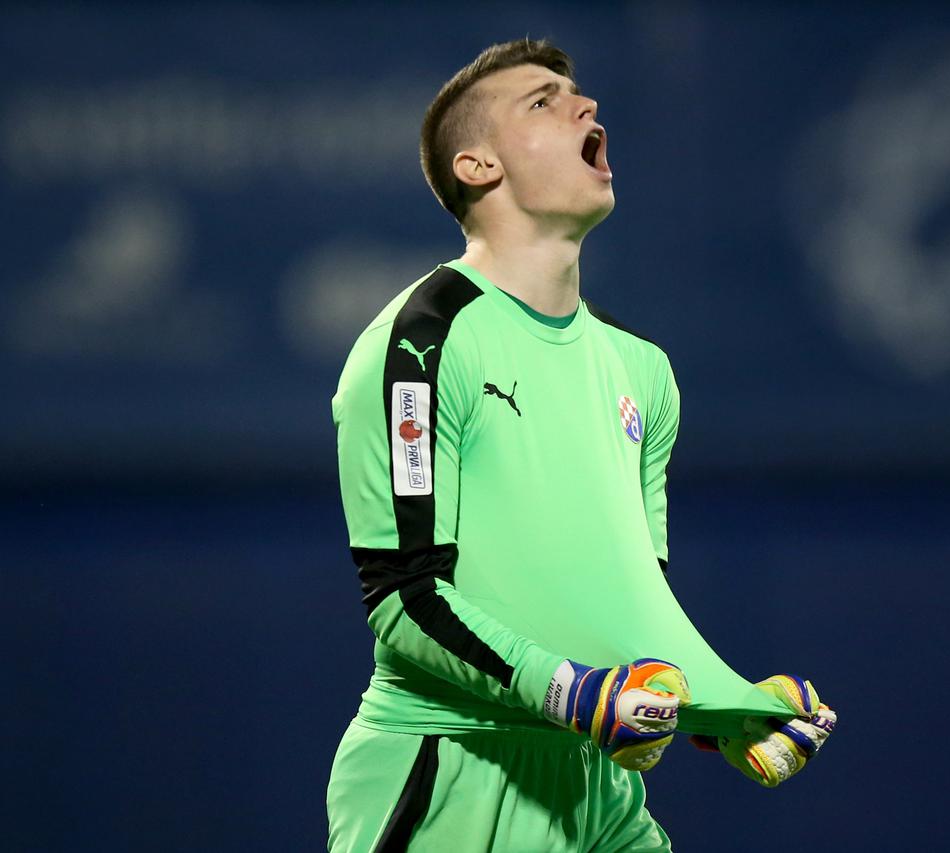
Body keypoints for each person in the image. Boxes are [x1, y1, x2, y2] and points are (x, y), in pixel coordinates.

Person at [325, 38, 836, 853]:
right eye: (543, 100)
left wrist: (724, 712)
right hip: (451, 775)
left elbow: (627, 616)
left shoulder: (646, 374)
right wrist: (572, 694)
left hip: (600, 791)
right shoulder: (418, 347)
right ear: (478, 165)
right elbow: (404, 596)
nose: (585, 105)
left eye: (579, 93)